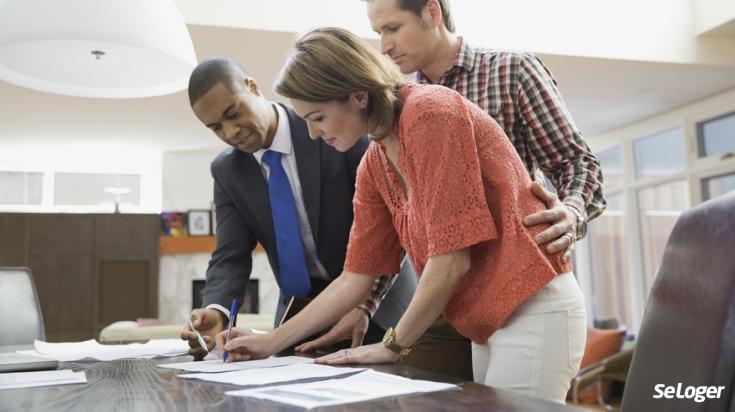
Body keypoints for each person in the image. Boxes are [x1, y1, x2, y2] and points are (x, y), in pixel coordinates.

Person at [216, 27, 587, 403]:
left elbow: (451, 260)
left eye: (318, 118)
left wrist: (393, 345)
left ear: (358, 96)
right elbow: (355, 278)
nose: (312, 134)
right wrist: (269, 341)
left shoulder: (430, 112)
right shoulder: (374, 163)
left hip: (533, 307)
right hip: (485, 323)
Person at [179, 57, 416, 359]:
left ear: (253, 87)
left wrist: (363, 303)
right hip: (297, 320)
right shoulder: (227, 172)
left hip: (378, 309)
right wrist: (217, 311)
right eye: (216, 128)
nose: (230, 132)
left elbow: (395, 222)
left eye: (233, 113)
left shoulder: (330, 126)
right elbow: (230, 256)